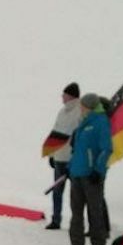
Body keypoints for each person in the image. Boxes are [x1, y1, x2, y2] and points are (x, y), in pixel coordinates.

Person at [68, 93, 112, 245]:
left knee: (95, 210)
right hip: (77, 173)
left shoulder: (101, 122)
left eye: (83, 106)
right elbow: (77, 150)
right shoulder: (83, 122)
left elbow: (106, 149)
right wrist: (70, 167)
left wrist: (98, 170)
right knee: (76, 210)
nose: (80, 108)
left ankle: (98, 244)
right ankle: (77, 243)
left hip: (91, 175)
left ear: (90, 107)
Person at [44, 82, 82, 228]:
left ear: (71, 96)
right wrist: (52, 154)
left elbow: (79, 137)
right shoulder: (62, 112)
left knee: (76, 194)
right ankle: (56, 219)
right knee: (57, 191)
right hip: (59, 157)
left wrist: (76, 156)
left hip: (73, 159)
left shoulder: (80, 111)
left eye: (64, 94)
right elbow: (55, 132)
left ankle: (76, 222)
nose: (62, 97)